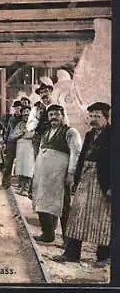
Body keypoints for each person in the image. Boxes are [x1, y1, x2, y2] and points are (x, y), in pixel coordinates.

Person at [52, 102, 111, 268]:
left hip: (103, 182)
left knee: (103, 220)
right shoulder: (90, 134)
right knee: (76, 216)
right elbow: (80, 159)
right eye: (91, 116)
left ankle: (103, 256)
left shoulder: (113, 135)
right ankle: (71, 254)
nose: (93, 119)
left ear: (106, 117)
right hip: (85, 180)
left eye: (97, 116)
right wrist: (75, 180)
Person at [32, 105, 82, 243]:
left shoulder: (70, 132)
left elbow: (76, 153)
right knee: (42, 204)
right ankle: (48, 234)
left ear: (63, 115)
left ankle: (68, 240)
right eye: (51, 114)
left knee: (63, 207)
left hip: (60, 177)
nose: (53, 117)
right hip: (44, 177)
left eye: (56, 114)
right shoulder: (47, 133)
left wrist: (71, 173)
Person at [11, 105, 35, 196]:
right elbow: (14, 135)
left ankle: (27, 188)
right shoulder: (20, 124)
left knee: (28, 167)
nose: (26, 115)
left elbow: (32, 134)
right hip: (20, 145)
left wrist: (25, 133)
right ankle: (21, 186)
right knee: (21, 166)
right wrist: (21, 133)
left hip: (29, 146)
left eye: (28, 113)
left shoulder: (34, 124)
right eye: (24, 114)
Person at [27, 82, 55, 157]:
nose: (44, 94)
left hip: (54, 139)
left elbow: (65, 123)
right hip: (38, 139)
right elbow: (29, 127)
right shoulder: (35, 109)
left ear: (50, 92)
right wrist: (37, 118)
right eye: (41, 93)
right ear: (39, 95)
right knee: (38, 162)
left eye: (46, 91)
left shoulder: (58, 107)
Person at [1, 101, 22, 189]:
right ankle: (5, 182)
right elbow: (8, 131)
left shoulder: (24, 118)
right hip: (11, 143)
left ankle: (21, 183)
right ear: (14, 108)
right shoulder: (11, 119)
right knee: (8, 163)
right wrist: (5, 142)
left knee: (21, 163)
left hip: (21, 143)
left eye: (19, 108)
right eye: (16, 108)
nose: (17, 109)